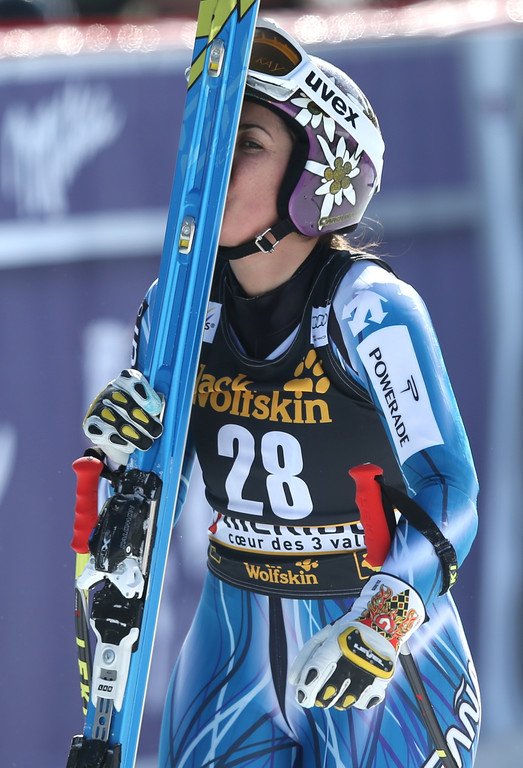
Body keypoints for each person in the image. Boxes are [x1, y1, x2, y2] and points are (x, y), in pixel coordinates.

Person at [83, 19, 480, 768]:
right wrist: (120, 451)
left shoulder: (370, 309)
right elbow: (146, 493)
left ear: (315, 175)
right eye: (208, 136)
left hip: (369, 647)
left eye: (246, 143)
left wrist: (383, 621)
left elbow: (449, 489)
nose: (210, 160)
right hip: (232, 644)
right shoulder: (178, 307)